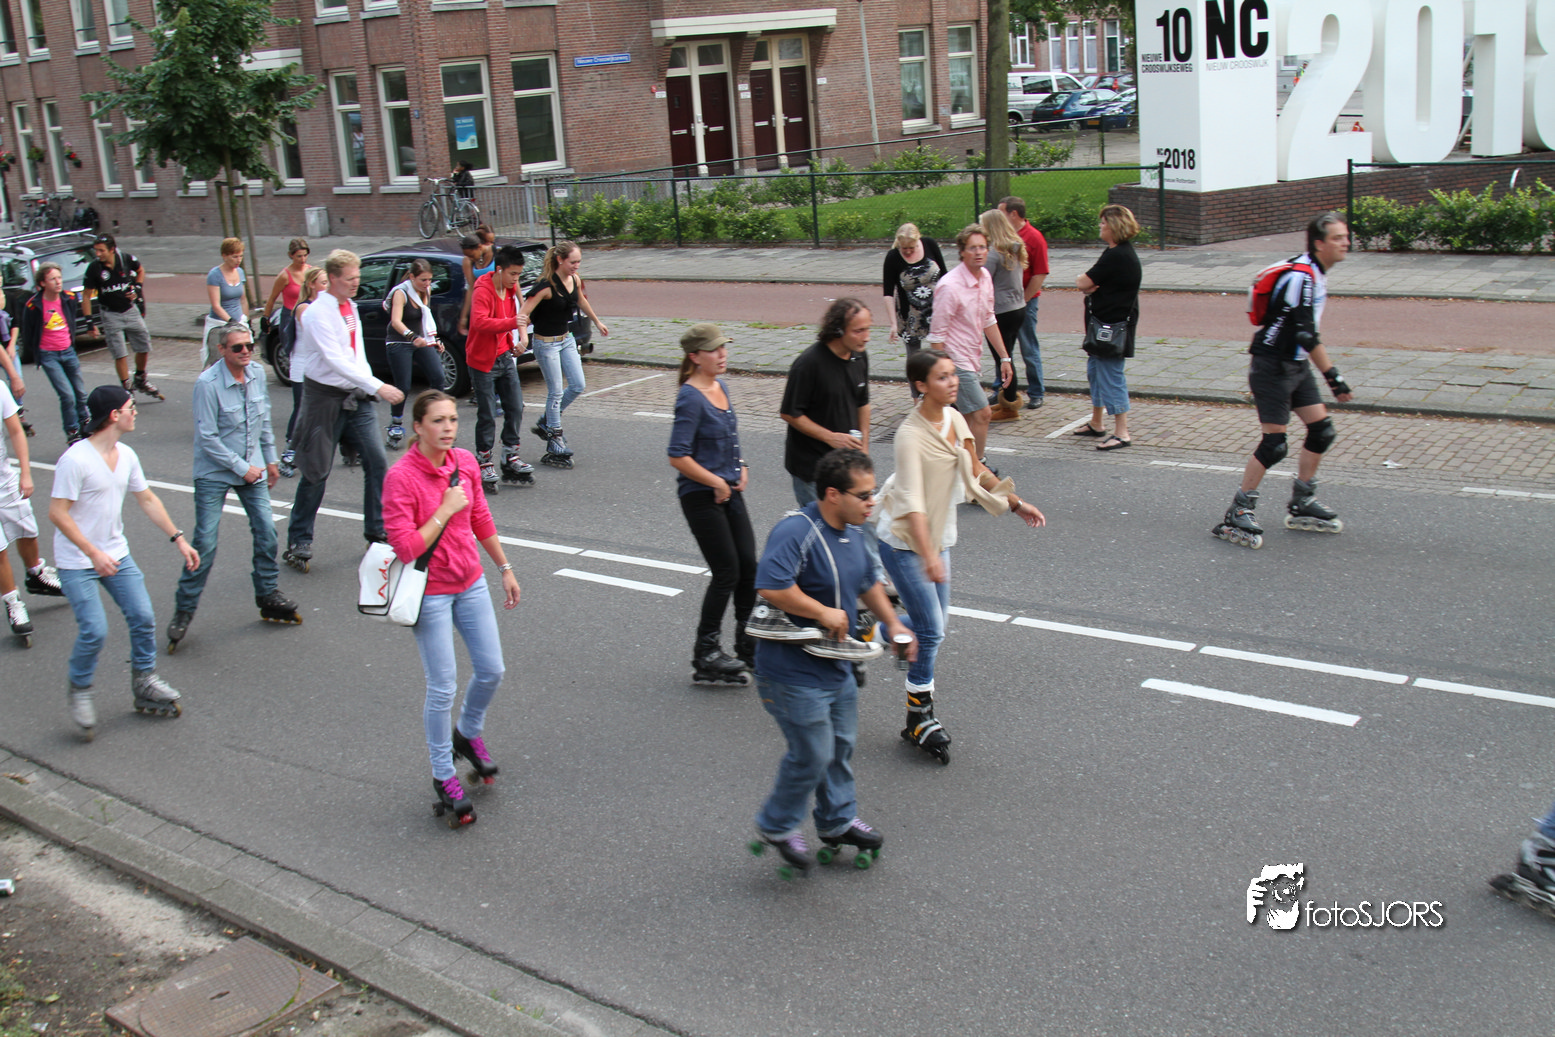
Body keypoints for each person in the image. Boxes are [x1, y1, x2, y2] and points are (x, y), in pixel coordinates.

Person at [747, 448, 914, 877]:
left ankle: (837, 821)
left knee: (839, 748)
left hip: (835, 664)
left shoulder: (853, 533)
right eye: (864, 495)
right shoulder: (796, 531)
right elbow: (770, 585)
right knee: (813, 753)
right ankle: (777, 825)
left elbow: (867, 583)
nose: (872, 502)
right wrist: (822, 612)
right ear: (833, 494)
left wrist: (894, 625)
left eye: (873, 493)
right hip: (790, 671)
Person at [875, 350, 1046, 765]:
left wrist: (1015, 503)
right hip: (904, 542)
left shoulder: (953, 419)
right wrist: (928, 554)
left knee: (934, 627)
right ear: (921, 385)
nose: (953, 382)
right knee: (931, 631)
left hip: (938, 539)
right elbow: (912, 504)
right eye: (942, 377)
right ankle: (919, 716)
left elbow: (976, 470)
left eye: (953, 374)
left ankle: (869, 633)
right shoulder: (909, 436)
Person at [382, 389, 520, 827]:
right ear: (418, 426)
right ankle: (443, 775)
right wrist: (443, 509)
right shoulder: (401, 477)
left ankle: (468, 733)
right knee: (442, 687)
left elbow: (479, 517)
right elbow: (405, 548)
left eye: (452, 420)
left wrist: (504, 567)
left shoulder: (464, 462)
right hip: (431, 593)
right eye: (437, 421)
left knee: (492, 670)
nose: (447, 428)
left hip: (470, 581)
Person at [48, 386, 201, 740]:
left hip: (115, 554)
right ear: (114, 415)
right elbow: (57, 513)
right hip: (77, 561)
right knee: (94, 630)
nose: (136, 412)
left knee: (143, 616)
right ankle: (80, 688)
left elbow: (146, 498)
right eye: (131, 407)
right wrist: (92, 553)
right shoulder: (75, 460)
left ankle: (144, 680)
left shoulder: (127, 455)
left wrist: (179, 538)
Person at [1214, 212, 1354, 548]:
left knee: (1322, 431)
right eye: (1337, 238)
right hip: (1272, 366)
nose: (1345, 243)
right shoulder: (1302, 277)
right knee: (1275, 444)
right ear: (1319, 243)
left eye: (1346, 236)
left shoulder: (1314, 272)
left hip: (1295, 364)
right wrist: (1334, 377)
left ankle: (1302, 500)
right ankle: (1239, 509)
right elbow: (1305, 333)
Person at [165, 322, 298, 652]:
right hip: (215, 472)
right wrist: (243, 468)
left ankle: (267, 593)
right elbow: (207, 438)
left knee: (267, 532)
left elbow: (263, 422)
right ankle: (184, 610)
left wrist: (270, 459)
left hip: (253, 466)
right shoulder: (207, 384)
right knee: (205, 543)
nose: (246, 351)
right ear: (222, 350)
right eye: (237, 347)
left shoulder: (256, 374)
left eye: (249, 345)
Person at [282, 250, 406, 573]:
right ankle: (299, 540)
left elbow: (355, 353)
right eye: (350, 278)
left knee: (377, 461)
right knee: (316, 471)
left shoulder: (350, 306)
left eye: (357, 277)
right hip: (323, 398)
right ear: (333, 278)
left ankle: (376, 532)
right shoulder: (316, 314)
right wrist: (378, 386)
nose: (356, 283)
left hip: (356, 395)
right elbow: (334, 359)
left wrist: (367, 385)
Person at [668, 323, 754, 686]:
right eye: (714, 349)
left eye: (723, 348)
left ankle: (748, 643)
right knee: (726, 572)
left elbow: (729, 440)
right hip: (700, 495)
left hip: (729, 490)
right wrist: (716, 481)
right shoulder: (690, 397)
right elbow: (678, 455)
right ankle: (706, 652)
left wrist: (741, 466)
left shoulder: (721, 387)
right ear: (694, 356)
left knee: (749, 566)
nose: (722, 354)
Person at [925, 225, 1015, 467]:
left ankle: (960, 466)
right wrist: (942, 373)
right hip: (955, 361)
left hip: (973, 357)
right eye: (973, 248)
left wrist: (1005, 358)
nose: (978, 252)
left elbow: (989, 319)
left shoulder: (985, 277)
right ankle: (978, 468)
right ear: (962, 252)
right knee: (983, 413)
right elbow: (936, 335)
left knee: (966, 420)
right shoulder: (949, 286)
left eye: (982, 247)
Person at [518, 240, 609, 469]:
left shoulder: (574, 279)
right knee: (556, 391)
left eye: (579, 262)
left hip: (566, 339)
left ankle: (547, 422)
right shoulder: (545, 287)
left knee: (578, 385)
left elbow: (581, 300)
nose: (576, 266)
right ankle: (555, 438)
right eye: (573, 262)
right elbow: (523, 314)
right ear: (560, 260)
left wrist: (597, 322)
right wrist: (523, 338)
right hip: (545, 344)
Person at [779, 298, 873, 506]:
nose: (866, 337)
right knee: (823, 525)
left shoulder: (860, 356)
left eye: (868, 329)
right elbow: (790, 413)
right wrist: (830, 437)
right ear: (838, 330)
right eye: (858, 331)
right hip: (814, 470)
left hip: (846, 467)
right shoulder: (809, 364)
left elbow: (863, 403)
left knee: (852, 524)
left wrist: (864, 448)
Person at [465, 245, 534, 492]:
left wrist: (522, 339)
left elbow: (521, 314)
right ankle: (484, 459)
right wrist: (511, 323)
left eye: (519, 274)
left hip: (504, 355)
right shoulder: (482, 290)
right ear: (500, 269)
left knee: (515, 406)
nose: (516, 279)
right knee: (487, 412)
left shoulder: (511, 286)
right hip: (482, 360)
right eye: (513, 274)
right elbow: (480, 322)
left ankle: (510, 455)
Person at [1074, 204, 1143, 451]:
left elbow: (1083, 282)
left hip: (1112, 328)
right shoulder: (1114, 252)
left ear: (1114, 226)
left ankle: (1122, 432)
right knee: (1095, 371)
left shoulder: (1118, 256)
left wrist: (1090, 286)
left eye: (1103, 223)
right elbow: (1091, 283)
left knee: (1111, 375)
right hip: (1102, 324)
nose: (1100, 226)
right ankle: (1096, 422)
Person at [0, 380, 64, 646]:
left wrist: (25, 473)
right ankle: (13, 603)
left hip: (4, 479)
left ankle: (36, 574)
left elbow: (16, 430)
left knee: (27, 529)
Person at [81, 233, 159, 402]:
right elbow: (86, 295)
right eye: (96, 250)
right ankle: (127, 388)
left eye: (101, 251)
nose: (98, 254)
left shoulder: (125, 259)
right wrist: (89, 322)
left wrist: (137, 288)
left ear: (112, 250)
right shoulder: (94, 268)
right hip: (110, 314)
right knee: (120, 353)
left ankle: (140, 378)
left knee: (144, 345)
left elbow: (140, 270)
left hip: (130, 310)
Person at [19, 263, 90, 442]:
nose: (58, 282)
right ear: (42, 283)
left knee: (80, 392)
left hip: (68, 351)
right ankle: (72, 430)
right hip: (49, 355)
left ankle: (85, 422)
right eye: (52, 279)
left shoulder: (69, 298)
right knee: (67, 395)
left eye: (59, 278)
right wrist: (36, 352)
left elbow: (71, 320)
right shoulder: (33, 305)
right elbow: (28, 332)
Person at [383, 259, 448, 450]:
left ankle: (435, 419)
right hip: (399, 341)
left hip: (420, 340)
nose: (427, 284)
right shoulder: (400, 293)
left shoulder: (426, 291)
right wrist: (412, 336)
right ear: (412, 277)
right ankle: (395, 424)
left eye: (429, 280)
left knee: (438, 377)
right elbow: (396, 321)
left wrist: (434, 340)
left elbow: (425, 319)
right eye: (423, 280)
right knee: (403, 385)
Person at [881, 223, 946, 400]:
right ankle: (917, 401)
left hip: (937, 311)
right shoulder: (893, 257)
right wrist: (893, 324)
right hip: (910, 316)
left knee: (942, 355)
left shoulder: (930, 244)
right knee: (914, 360)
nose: (908, 252)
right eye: (904, 249)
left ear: (918, 240)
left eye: (912, 247)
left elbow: (945, 276)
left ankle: (943, 396)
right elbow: (888, 293)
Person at [998, 196, 1051, 410]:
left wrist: (1024, 299)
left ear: (1013, 214)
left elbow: (1040, 273)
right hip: (1005, 302)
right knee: (1003, 349)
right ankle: (1003, 389)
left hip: (1024, 302)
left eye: (1002, 212)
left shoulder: (1034, 238)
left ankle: (1036, 392)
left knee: (1028, 347)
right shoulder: (1002, 236)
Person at [978, 209, 1030, 422]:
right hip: (1017, 307)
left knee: (1003, 358)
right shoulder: (1014, 249)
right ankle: (1006, 398)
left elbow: (981, 278)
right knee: (1007, 355)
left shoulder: (993, 254)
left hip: (1001, 310)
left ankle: (1009, 405)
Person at [277, 266, 327, 478]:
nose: (327, 286)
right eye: (323, 283)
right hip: (302, 365)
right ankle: (289, 453)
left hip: (317, 366)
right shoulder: (304, 308)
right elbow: (316, 335)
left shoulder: (324, 306)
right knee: (302, 409)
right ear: (311, 285)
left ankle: (348, 447)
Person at [205, 237, 248, 367]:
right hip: (219, 325)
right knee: (219, 364)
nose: (238, 260)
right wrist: (230, 321)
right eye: (234, 257)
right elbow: (216, 305)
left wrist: (246, 320)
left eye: (241, 256)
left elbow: (243, 299)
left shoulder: (240, 272)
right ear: (224, 256)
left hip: (238, 324)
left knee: (242, 361)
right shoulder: (215, 275)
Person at [261, 238, 310, 352]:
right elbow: (272, 298)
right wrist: (266, 317)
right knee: (293, 351)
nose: (303, 259)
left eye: (305, 255)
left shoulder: (311, 272)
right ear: (291, 255)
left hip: (307, 315)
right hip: (290, 317)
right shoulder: (284, 276)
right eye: (299, 256)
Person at [455, 226, 496, 337]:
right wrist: (464, 317)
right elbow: (472, 288)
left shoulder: (496, 253)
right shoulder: (470, 261)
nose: (471, 258)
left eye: (472, 255)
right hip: (483, 303)